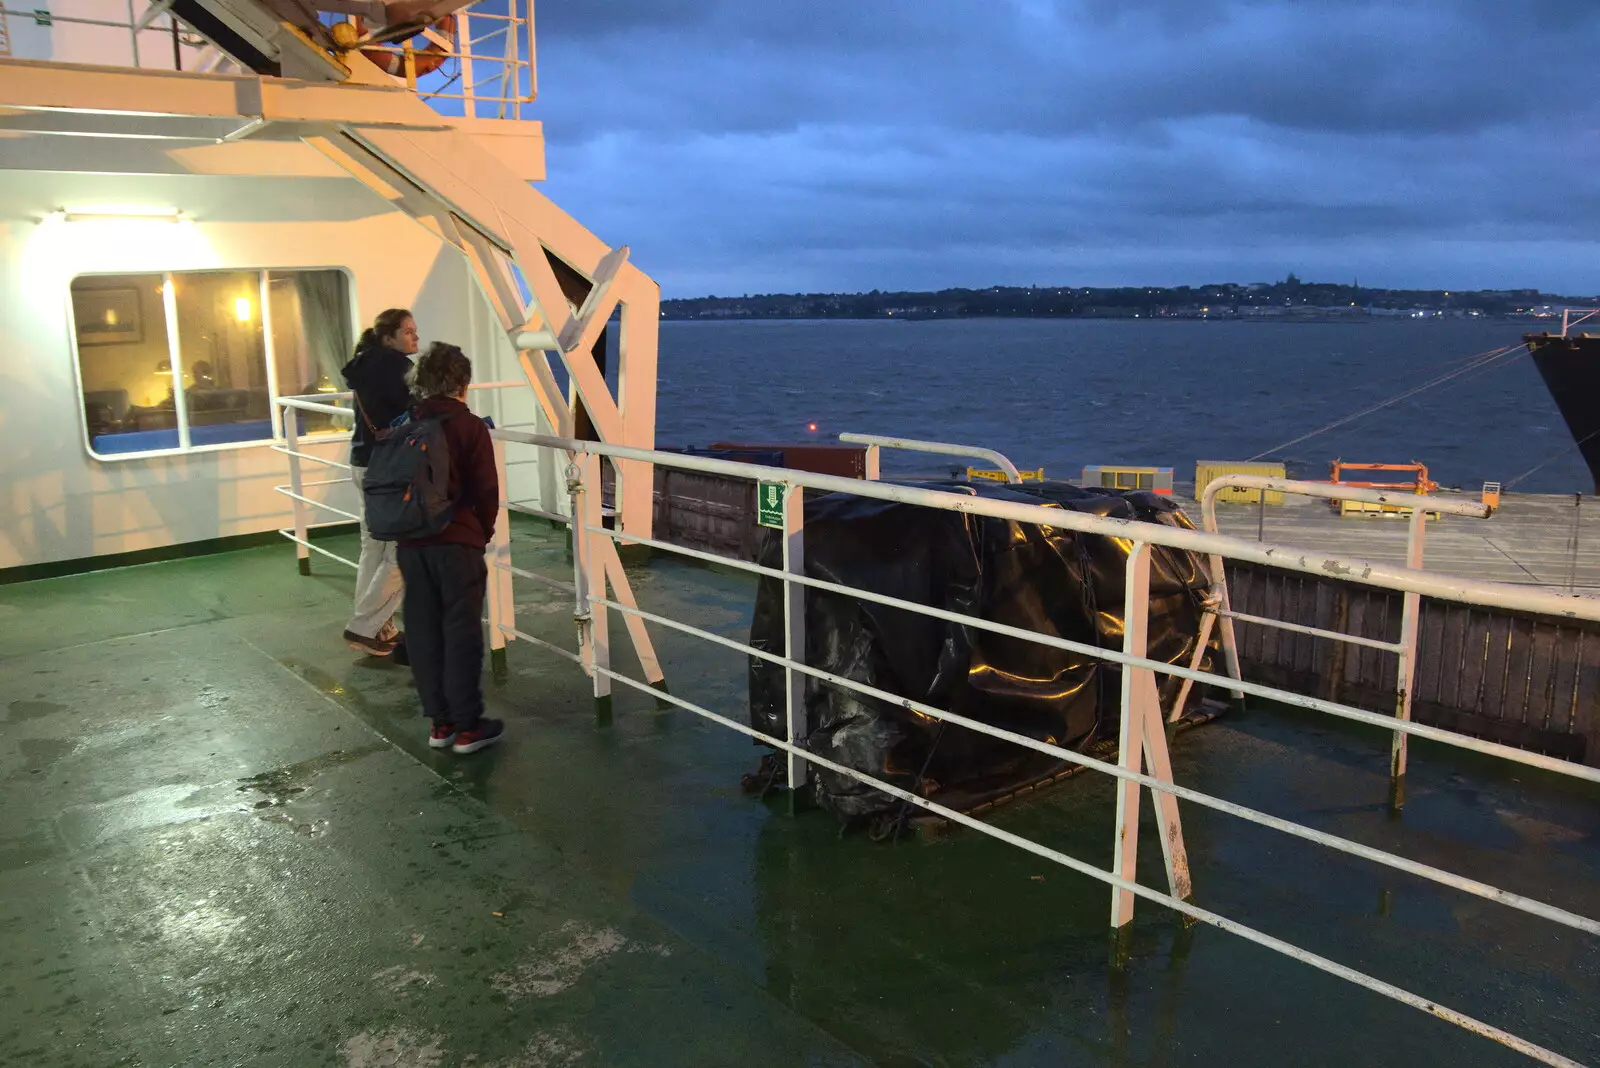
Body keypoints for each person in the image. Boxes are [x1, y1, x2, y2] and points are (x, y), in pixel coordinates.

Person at [397, 342, 504, 754]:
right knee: (461, 633)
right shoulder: (470, 426)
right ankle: (469, 728)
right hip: (456, 543)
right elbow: (486, 491)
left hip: (411, 543)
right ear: (462, 381)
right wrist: (482, 532)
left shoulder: (406, 423)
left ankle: (440, 725)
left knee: (423, 632)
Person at [341, 308, 419, 656]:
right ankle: (364, 628)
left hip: (362, 462)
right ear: (389, 338)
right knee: (403, 550)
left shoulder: (364, 364)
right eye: (407, 332)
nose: (415, 337)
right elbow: (420, 411)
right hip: (388, 469)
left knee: (373, 549)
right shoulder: (397, 367)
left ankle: (380, 629)